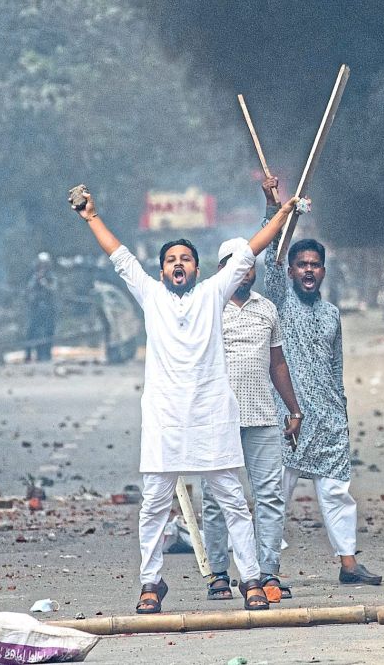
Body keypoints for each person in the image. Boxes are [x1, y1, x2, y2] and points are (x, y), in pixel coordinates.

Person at [71, 187, 297, 613]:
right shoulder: (151, 296)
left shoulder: (213, 294)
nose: (178, 264)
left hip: (212, 415)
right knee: (155, 503)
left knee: (231, 498)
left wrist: (281, 214)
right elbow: (119, 255)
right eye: (171, 260)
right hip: (165, 419)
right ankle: (151, 583)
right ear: (161, 273)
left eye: (186, 259)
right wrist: (91, 217)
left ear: (197, 269)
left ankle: (249, 578)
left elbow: (251, 249)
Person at [259, 176, 381, 587]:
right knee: (277, 497)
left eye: (315, 265)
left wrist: (342, 416)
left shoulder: (331, 314)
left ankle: (349, 565)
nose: (308, 271)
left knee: (337, 494)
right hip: (286, 420)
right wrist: (276, 208)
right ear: (291, 271)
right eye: (301, 265)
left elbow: (335, 369)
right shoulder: (279, 301)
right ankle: (266, 570)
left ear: (323, 271)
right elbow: (269, 259)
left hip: (329, 421)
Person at [200, 239, 305, 603]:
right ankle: (218, 573)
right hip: (217, 419)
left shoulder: (267, 310)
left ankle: (268, 572)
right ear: (221, 270)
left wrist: (293, 409)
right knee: (215, 499)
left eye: (249, 265)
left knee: (269, 496)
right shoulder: (207, 307)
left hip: (262, 415)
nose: (245, 271)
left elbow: (278, 364)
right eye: (236, 265)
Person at [25, 252, 58, 363]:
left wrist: (44, 283)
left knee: (48, 332)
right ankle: (29, 355)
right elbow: (29, 291)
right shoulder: (34, 277)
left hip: (49, 309)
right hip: (36, 309)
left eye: (45, 264)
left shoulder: (51, 277)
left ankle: (46, 355)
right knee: (33, 332)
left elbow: (53, 289)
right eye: (41, 264)